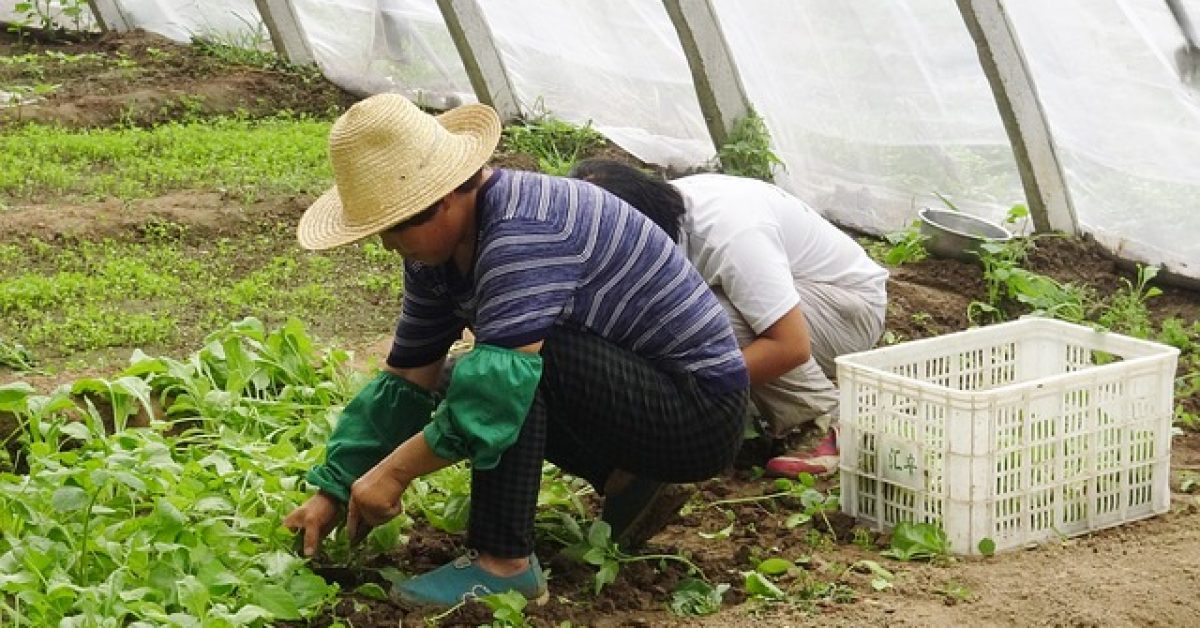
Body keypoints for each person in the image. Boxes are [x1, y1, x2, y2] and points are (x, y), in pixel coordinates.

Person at [282, 94, 749, 608]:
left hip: (699, 412)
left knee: (507, 372)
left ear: (444, 199)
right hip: (637, 397)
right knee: (459, 375)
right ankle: (629, 479)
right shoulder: (435, 257)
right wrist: (335, 486)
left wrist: (393, 474)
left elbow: (494, 394)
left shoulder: (523, 230)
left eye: (395, 226)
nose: (389, 245)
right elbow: (407, 378)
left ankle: (503, 564)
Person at [568, 160, 887, 478]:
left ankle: (826, 420)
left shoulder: (729, 232)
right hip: (800, 302)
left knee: (706, 321)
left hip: (849, 311)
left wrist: (692, 389)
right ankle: (751, 416)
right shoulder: (664, 215)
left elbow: (791, 346)